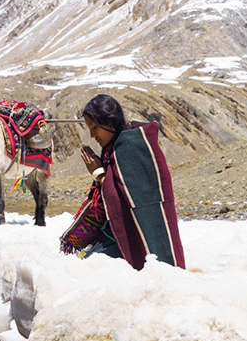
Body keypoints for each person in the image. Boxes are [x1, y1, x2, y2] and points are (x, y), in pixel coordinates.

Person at [74, 94, 186, 270]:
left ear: (109, 122)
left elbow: (135, 201)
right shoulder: (113, 148)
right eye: (89, 128)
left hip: (138, 239)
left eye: (95, 127)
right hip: (115, 235)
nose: (92, 134)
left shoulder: (131, 147)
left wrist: (99, 174)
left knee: (89, 271)